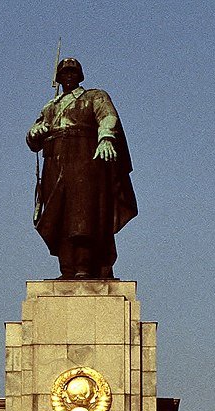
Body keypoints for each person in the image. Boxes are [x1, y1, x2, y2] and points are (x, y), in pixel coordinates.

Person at [27, 57, 137, 280]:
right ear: (58, 78)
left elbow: (108, 117)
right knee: (58, 218)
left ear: (80, 76)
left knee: (82, 216)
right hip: (55, 163)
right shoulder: (51, 106)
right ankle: (66, 269)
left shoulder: (94, 96)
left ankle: (83, 267)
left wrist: (106, 137)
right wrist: (34, 133)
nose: (68, 76)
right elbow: (33, 140)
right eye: (64, 73)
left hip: (84, 161)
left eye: (72, 72)